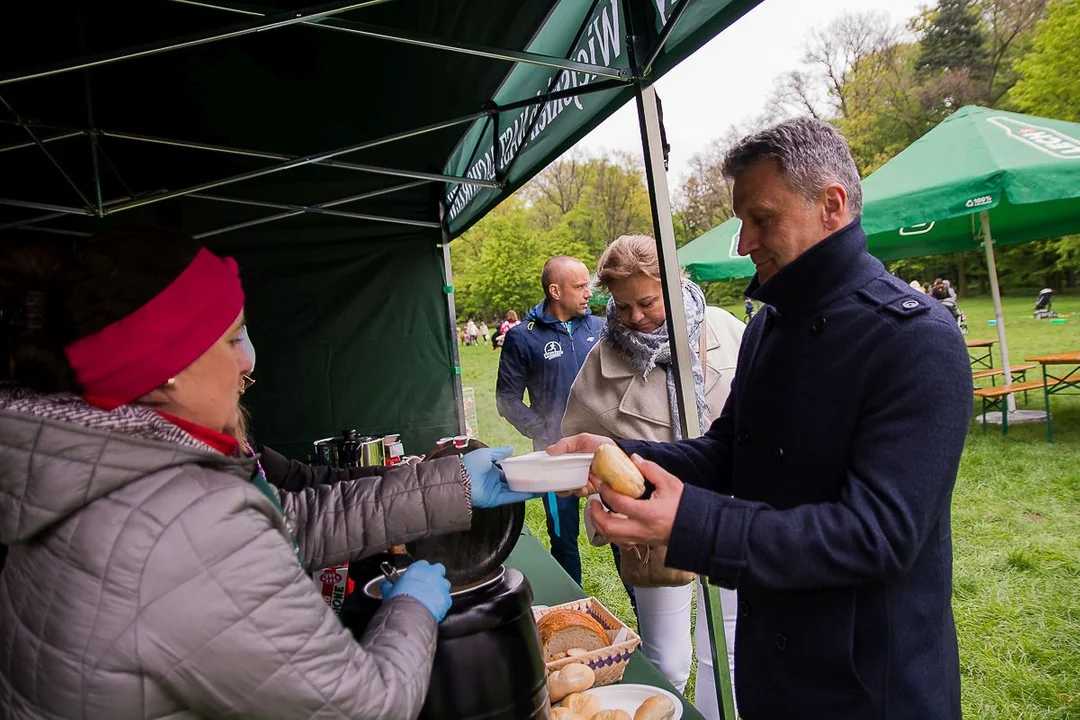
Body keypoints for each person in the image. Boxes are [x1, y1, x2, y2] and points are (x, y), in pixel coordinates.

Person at [0, 228, 532, 719]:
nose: (247, 363)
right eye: (232, 340)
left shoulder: (99, 463)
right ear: (170, 368)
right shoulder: (179, 520)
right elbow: (367, 707)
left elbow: (287, 520)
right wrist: (412, 608)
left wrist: (453, 482)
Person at [552, 117, 971, 720]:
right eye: (741, 221)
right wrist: (616, 454)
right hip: (771, 667)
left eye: (762, 218)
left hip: (867, 685)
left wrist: (690, 522)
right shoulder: (769, 326)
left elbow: (878, 535)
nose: (743, 241)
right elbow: (729, 451)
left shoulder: (915, 340)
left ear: (831, 204)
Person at [561, 234, 744, 715]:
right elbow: (581, 452)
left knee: (724, 650)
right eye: (622, 307)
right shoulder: (600, 362)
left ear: (675, 281)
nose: (635, 317)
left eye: (646, 301)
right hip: (651, 533)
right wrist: (604, 506)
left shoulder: (726, 329)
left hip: (729, 509)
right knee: (667, 658)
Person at [496, 256, 610, 587]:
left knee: (621, 539)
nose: (589, 293)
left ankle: (644, 626)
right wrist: (546, 433)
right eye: (580, 286)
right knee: (563, 540)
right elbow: (507, 399)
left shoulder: (601, 329)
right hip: (555, 457)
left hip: (605, 451)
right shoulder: (522, 337)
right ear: (555, 291)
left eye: (588, 284)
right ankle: (571, 611)